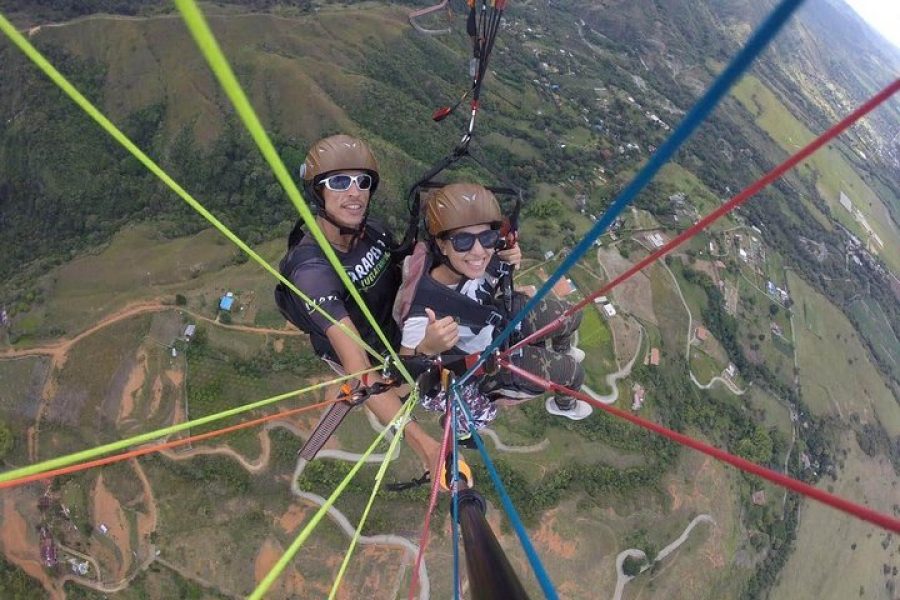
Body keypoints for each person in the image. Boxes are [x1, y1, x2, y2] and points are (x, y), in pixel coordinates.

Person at [275, 134, 451, 475]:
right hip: (363, 351)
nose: (354, 192)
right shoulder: (312, 271)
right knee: (379, 385)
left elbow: (408, 269)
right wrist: (427, 447)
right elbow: (359, 371)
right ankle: (398, 391)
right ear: (318, 192)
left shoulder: (373, 231)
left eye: (363, 182)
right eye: (339, 182)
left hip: (393, 328)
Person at [396, 182, 593, 423]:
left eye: (487, 237)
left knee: (572, 314)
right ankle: (565, 405)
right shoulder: (426, 311)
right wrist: (427, 348)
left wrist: (512, 259)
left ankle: (564, 350)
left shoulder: (480, 259)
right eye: (463, 241)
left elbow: (495, 275)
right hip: (484, 365)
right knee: (573, 374)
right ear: (442, 245)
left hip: (496, 324)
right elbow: (402, 387)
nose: (479, 251)